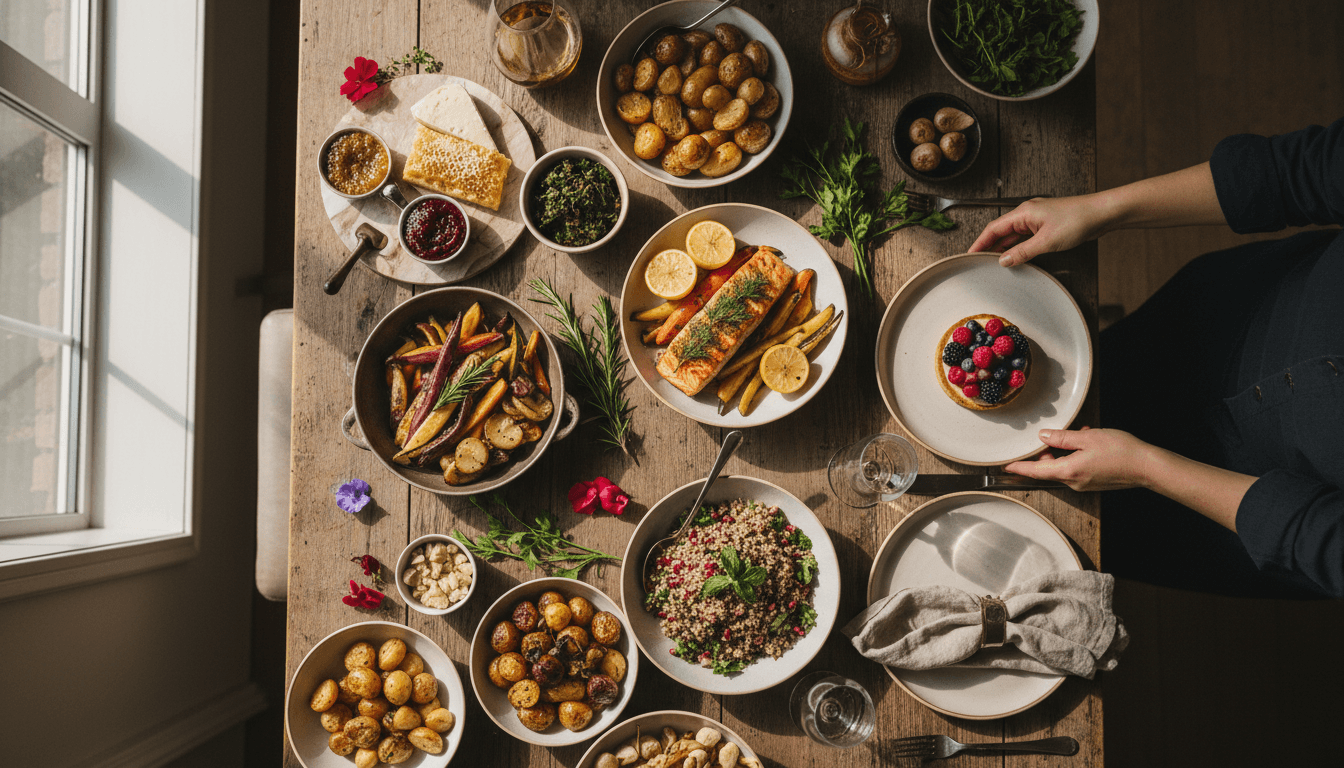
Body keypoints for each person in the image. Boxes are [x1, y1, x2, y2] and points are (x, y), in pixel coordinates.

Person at [968, 119, 1343, 599]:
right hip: (1227, 317)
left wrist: (1146, 469)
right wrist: (1100, 209)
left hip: (1227, 503)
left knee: (1066, 527)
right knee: (1095, 374)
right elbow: (1301, 171)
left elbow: (1322, 541)